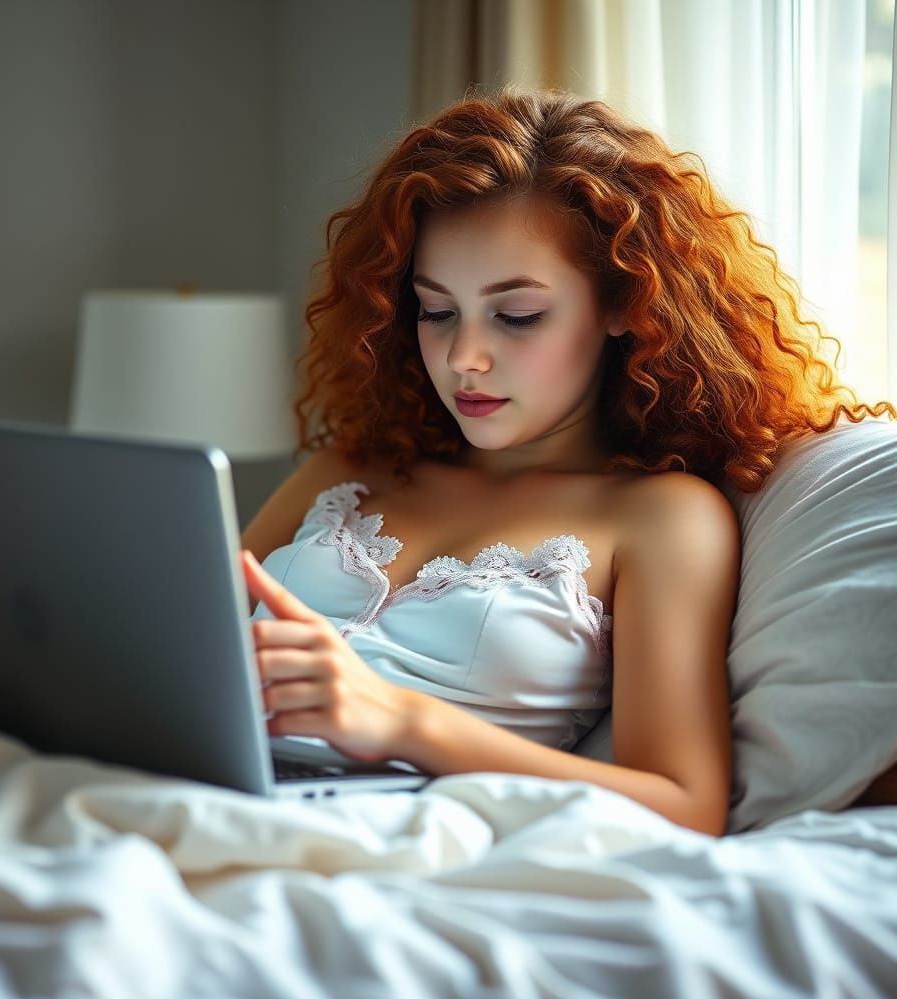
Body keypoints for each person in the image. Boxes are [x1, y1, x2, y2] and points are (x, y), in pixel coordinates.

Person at [239, 85, 894, 838]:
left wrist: (403, 721)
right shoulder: (347, 470)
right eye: (437, 310)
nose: (463, 358)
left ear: (624, 304)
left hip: (394, 842)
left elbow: (684, 802)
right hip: (196, 788)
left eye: (517, 315)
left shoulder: (661, 516)